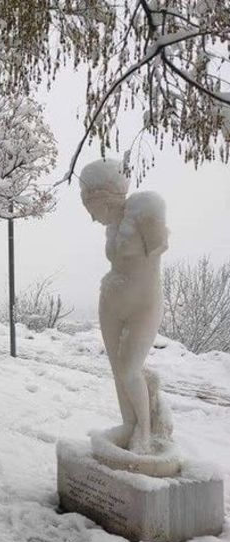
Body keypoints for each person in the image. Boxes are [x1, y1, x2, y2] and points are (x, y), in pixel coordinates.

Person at [80, 159, 168, 454]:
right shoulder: (113, 225)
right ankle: (128, 424)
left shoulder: (145, 209)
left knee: (131, 369)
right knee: (119, 370)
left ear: (104, 200)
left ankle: (144, 430)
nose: (93, 219)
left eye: (93, 210)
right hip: (111, 302)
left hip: (144, 304)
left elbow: (157, 243)